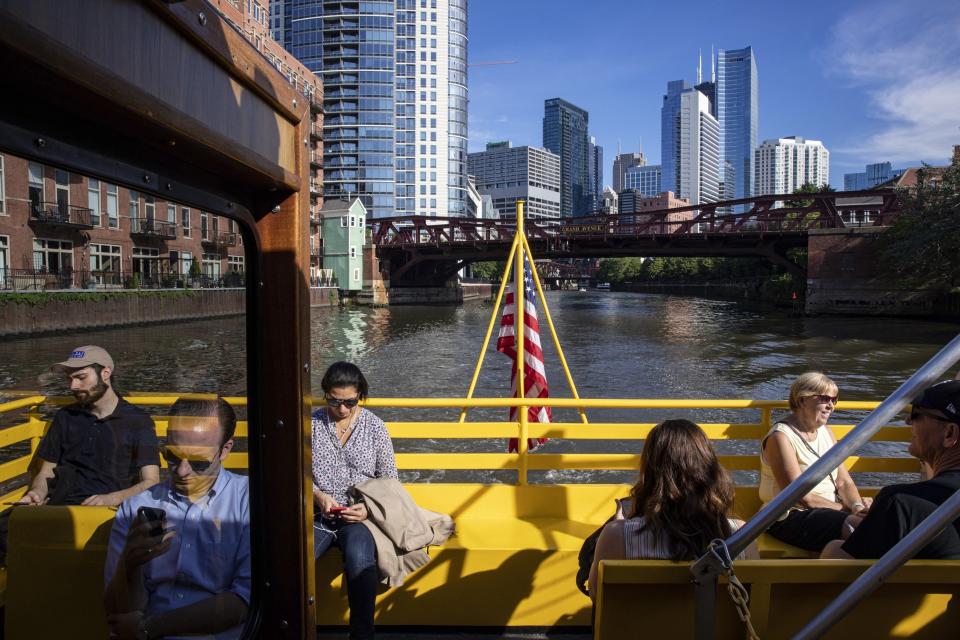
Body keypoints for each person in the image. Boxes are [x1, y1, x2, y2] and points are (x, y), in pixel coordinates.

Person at [104, 396, 250, 640]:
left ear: (226, 449)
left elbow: (243, 602)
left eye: (198, 461)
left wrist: (149, 629)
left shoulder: (248, 502)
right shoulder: (137, 506)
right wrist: (129, 566)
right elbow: (117, 611)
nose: (182, 471)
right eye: (171, 456)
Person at [0, 346, 160, 564]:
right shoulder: (65, 417)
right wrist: (36, 493)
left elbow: (151, 481)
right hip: (58, 507)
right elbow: (46, 471)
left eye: (81, 377)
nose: (73, 385)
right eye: (70, 378)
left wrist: (112, 498)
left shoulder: (137, 421)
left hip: (108, 511)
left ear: (106, 373)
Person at [587, 419, 757, 600]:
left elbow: (596, 594)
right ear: (711, 470)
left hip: (645, 628)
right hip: (717, 628)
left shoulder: (618, 536)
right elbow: (752, 598)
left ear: (650, 472)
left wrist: (619, 526)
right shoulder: (742, 536)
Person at [823, 380, 960, 559]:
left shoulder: (901, 503)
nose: (907, 420)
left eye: (916, 414)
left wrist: (832, 549)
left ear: (950, 434)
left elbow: (842, 572)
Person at [312, 362, 397, 640]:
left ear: (360, 394)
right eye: (335, 401)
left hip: (359, 516)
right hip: (317, 515)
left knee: (360, 560)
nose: (343, 409)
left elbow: (389, 480)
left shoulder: (375, 427)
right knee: (294, 559)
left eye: (350, 401)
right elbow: (295, 471)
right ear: (326, 394)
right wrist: (318, 495)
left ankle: (362, 634)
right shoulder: (311, 425)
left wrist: (367, 509)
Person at [759, 372, 869, 551]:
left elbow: (844, 481)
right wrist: (846, 510)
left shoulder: (827, 432)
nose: (831, 406)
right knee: (856, 527)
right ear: (802, 400)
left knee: (876, 523)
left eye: (835, 400)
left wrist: (857, 506)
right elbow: (800, 496)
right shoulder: (780, 437)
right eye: (825, 399)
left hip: (828, 511)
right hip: (787, 517)